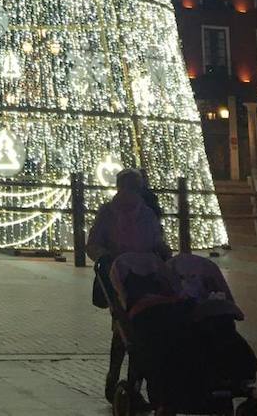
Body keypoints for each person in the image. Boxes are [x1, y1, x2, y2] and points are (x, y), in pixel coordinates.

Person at [87, 168, 171, 403]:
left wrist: (164, 255)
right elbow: (93, 243)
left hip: (146, 277)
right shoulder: (109, 213)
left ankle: (134, 380)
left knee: (142, 327)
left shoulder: (147, 214)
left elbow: (157, 241)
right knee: (124, 327)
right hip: (120, 276)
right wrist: (106, 258)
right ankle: (116, 375)